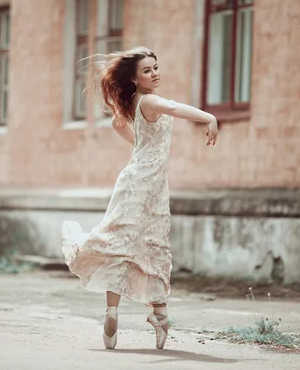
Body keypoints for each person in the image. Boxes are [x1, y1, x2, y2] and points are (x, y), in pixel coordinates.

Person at [62, 46, 218, 350]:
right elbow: (174, 108)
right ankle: (158, 316)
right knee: (152, 245)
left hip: (140, 183)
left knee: (128, 245)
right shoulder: (150, 100)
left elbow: (117, 123)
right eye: (147, 70)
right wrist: (209, 117)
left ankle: (116, 312)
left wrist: (142, 148)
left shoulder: (133, 101)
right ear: (135, 79)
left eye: (156, 67)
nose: (155, 73)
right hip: (148, 186)